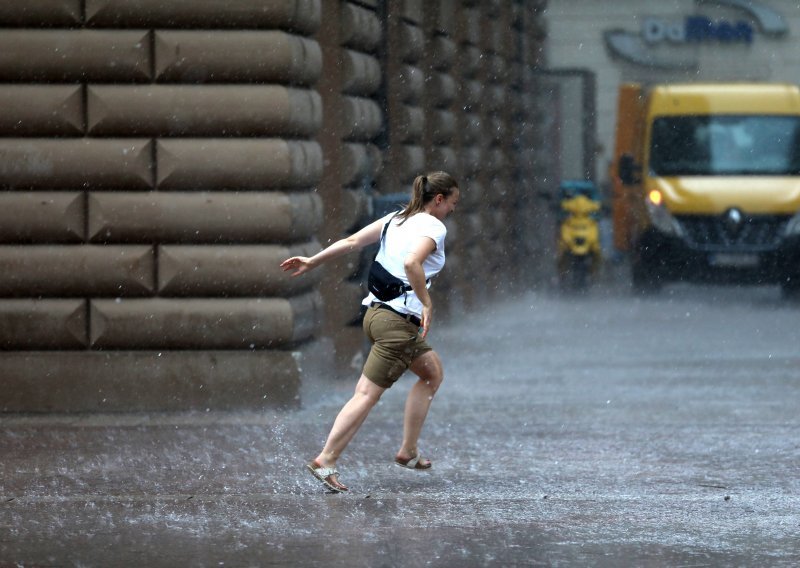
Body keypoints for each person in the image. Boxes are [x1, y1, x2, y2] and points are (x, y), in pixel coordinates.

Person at [280, 171, 460, 492]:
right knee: (365, 395)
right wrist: (427, 303)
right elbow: (411, 263)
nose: (453, 210)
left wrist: (312, 261)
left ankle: (408, 451)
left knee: (431, 373)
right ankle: (325, 459)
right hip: (397, 325)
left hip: (374, 314)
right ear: (438, 200)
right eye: (452, 203)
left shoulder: (395, 219)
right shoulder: (434, 226)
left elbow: (351, 242)